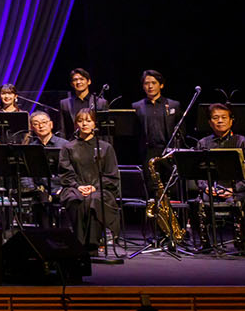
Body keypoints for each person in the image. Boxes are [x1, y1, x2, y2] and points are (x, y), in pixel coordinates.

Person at [194, 103, 245, 242]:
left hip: (237, 190)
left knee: (238, 203)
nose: (220, 121)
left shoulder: (243, 142)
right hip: (212, 190)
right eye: (215, 118)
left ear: (231, 120)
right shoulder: (203, 143)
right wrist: (206, 187)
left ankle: (242, 243)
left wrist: (233, 189)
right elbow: (197, 173)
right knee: (198, 203)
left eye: (224, 117)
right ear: (209, 122)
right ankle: (205, 243)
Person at [61, 108, 122, 250]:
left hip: (102, 189)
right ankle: (79, 245)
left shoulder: (105, 147)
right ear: (76, 124)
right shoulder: (68, 147)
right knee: (75, 200)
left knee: (93, 200)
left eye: (88, 121)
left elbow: (111, 174)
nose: (84, 124)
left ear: (94, 123)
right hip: (75, 188)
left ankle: (92, 245)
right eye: (80, 121)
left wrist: (95, 187)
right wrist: (78, 186)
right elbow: (65, 173)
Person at [133, 69, 183, 161]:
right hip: (147, 153)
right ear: (143, 86)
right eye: (146, 83)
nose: (150, 86)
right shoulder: (137, 107)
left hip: (168, 152)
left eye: (154, 83)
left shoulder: (173, 105)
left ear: (161, 85)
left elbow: (181, 131)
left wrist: (175, 150)